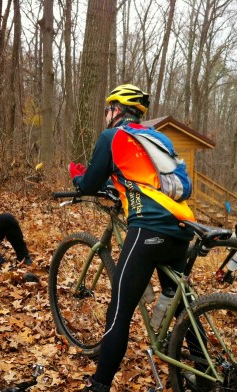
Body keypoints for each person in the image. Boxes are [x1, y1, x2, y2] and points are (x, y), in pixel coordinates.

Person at [69, 84, 196, 391]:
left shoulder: (112, 137)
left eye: (107, 110)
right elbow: (151, 180)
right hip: (182, 227)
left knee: (119, 311)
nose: (105, 116)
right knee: (179, 301)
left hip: (148, 228)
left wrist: (77, 176)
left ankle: (99, 384)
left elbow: (88, 184)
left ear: (118, 111)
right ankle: (205, 365)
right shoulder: (158, 138)